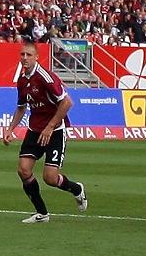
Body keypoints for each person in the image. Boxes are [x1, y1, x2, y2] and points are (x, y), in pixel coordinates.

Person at [7, 41, 89, 224]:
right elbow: (21, 107)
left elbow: (67, 103)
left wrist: (50, 126)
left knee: (50, 178)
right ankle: (42, 213)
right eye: (22, 55)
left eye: (29, 55)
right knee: (23, 170)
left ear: (37, 57)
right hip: (35, 129)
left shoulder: (46, 77)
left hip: (55, 131)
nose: (25, 58)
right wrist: (10, 129)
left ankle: (76, 189)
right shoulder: (22, 80)